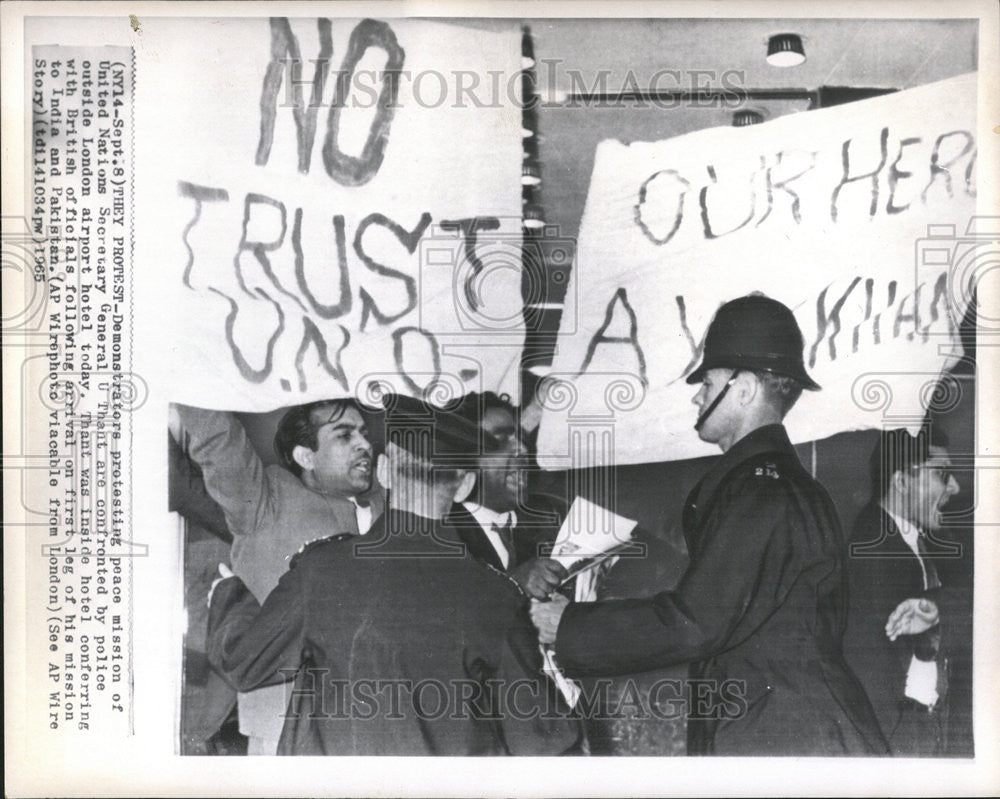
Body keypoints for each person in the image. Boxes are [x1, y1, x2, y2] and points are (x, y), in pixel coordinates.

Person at [530, 294, 888, 756]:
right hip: (790, 728)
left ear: (744, 389)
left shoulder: (762, 491)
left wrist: (570, 626)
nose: (698, 394)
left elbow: (698, 621)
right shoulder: (777, 483)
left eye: (710, 380)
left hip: (791, 738)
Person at [205, 394, 580, 755]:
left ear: (384, 471)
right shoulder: (497, 596)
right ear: (465, 485)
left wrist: (229, 594)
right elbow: (541, 739)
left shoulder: (320, 571)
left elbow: (244, 662)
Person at [172, 400, 384, 755]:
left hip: (378, 725)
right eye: (344, 435)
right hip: (286, 728)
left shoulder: (393, 507)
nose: (364, 444)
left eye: (364, 433)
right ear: (306, 456)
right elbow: (218, 437)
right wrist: (195, 373)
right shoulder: (265, 500)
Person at [843, 427, 962, 755]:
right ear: (901, 482)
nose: (954, 486)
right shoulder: (871, 550)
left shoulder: (907, 539)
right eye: (942, 474)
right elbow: (872, 679)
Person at [446, 392, 568, 599]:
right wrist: (512, 584)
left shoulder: (552, 513)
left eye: (519, 438)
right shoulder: (446, 535)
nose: (522, 449)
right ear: (463, 457)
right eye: (501, 439)